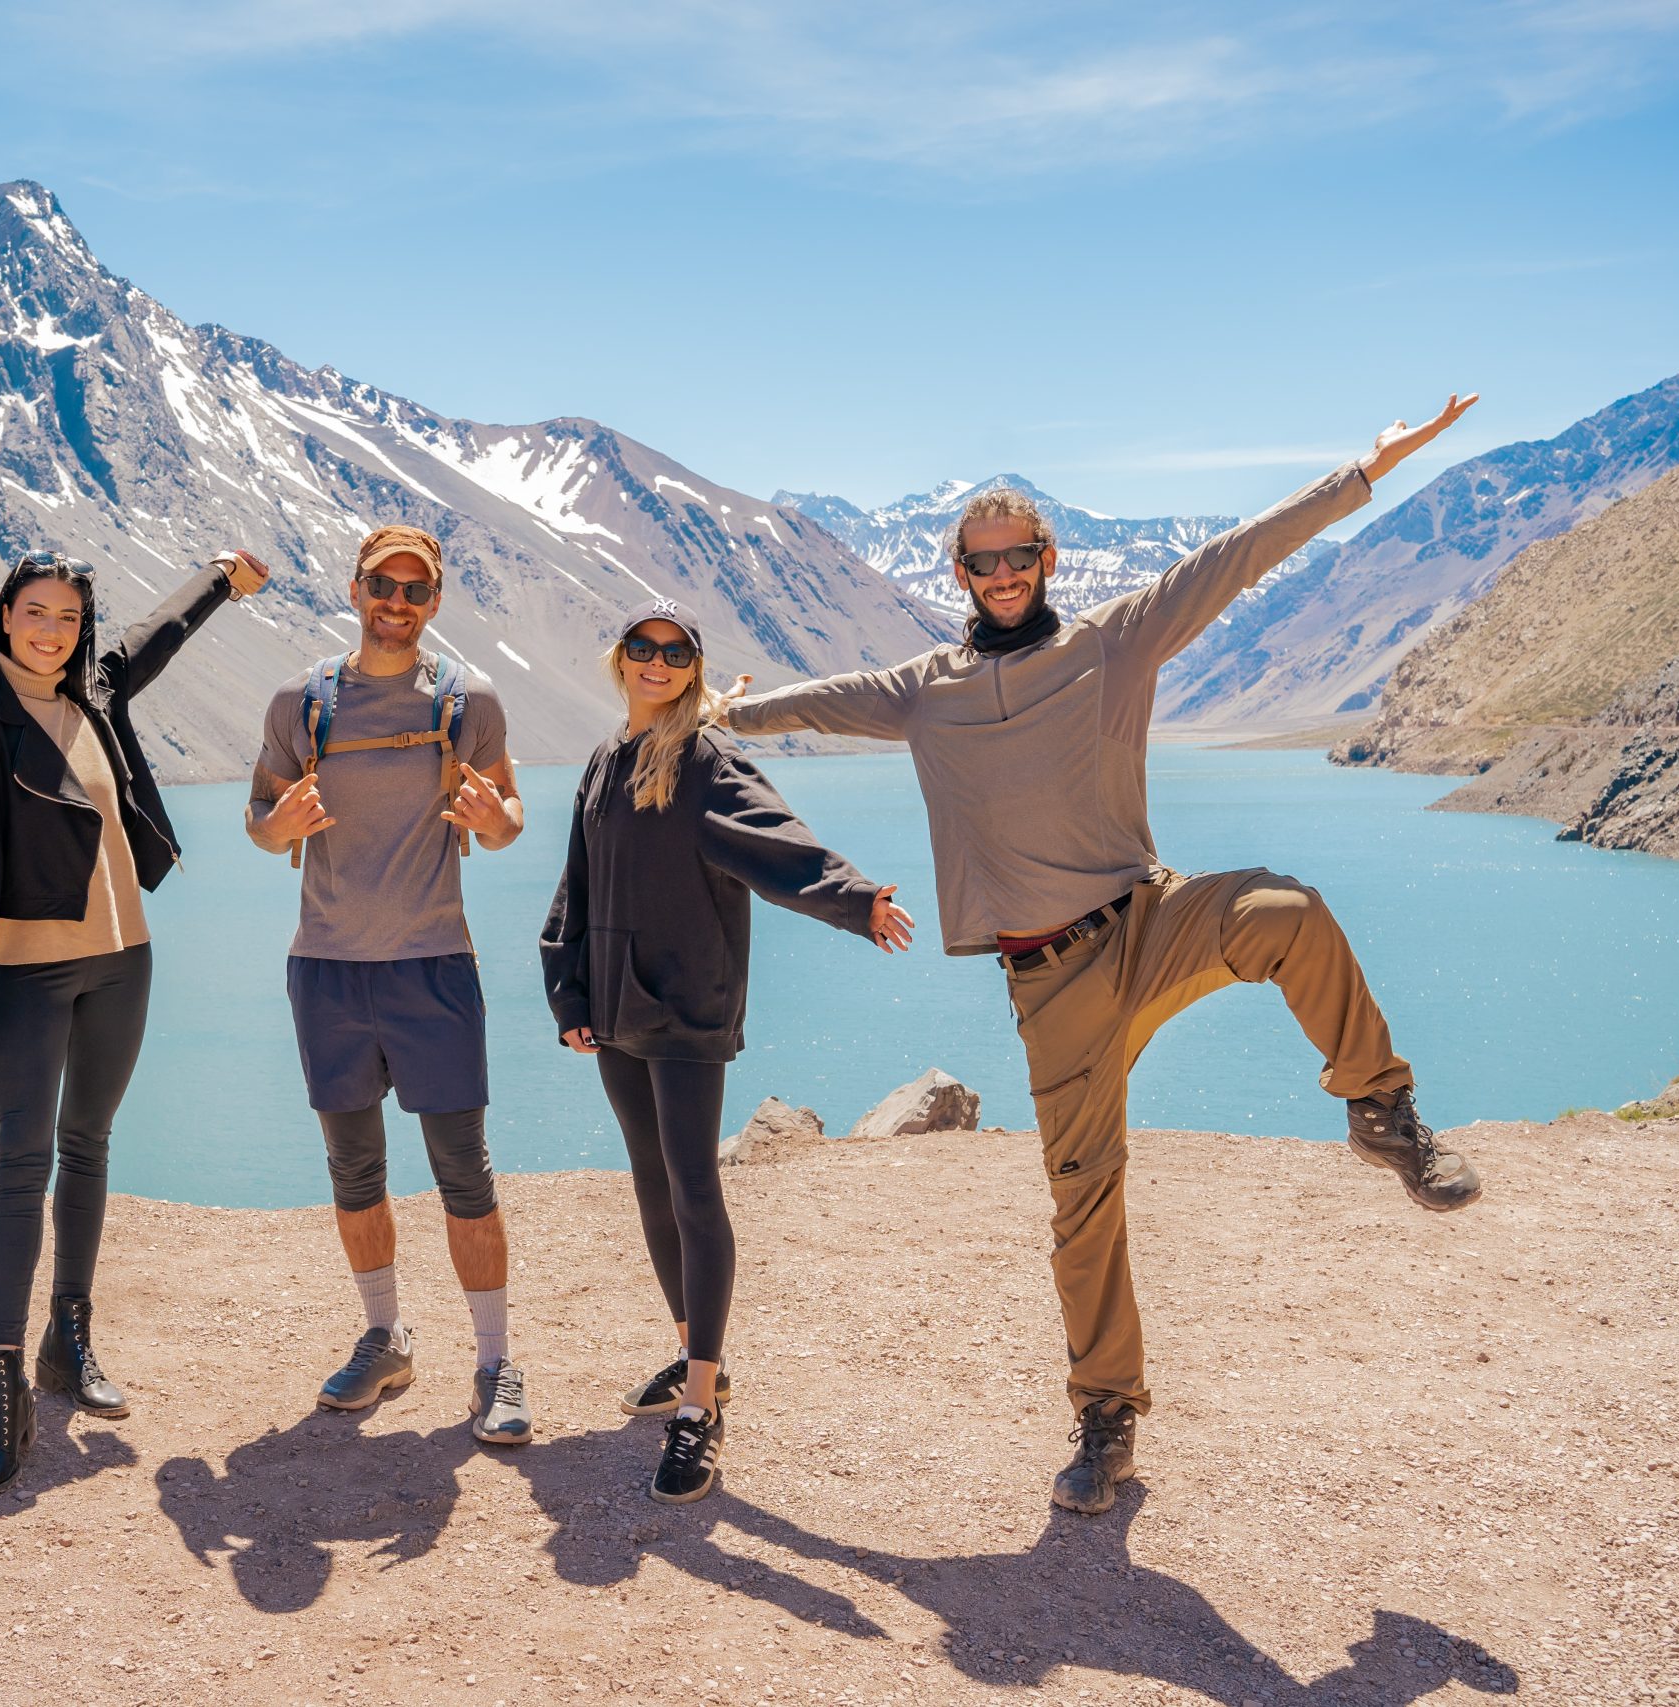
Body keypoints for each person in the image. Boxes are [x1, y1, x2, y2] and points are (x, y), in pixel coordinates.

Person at [719, 397, 1488, 1515]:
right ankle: (1105, 1414)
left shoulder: (1113, 641)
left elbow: (1233, 559)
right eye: (981, 561)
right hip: (1048, 978)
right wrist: (720, 715)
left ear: (1044, 558)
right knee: (1083, 1202)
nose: (1001, 574)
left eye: (1017, 556)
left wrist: (1360, 473)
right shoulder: (919, 692)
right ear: (960, 570)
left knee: (1286, 910)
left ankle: (1382, 1110)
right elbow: (818, 706)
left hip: (1148, 916)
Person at [540, 597, 914, 1503]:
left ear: (694, 668)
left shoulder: (704, 760)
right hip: (619, 1007)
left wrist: (854, 898)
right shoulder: (606, 758)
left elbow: (775, 841)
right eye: (643, 648)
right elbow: (577, 884)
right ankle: (690, 1350)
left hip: (687, 1006)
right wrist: (569, 988)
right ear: (619, 659)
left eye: (676, 652)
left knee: (695, 1187)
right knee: (650, 1182)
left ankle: (700, 1405)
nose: (657, 663)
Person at [0, 546, 271, 1495]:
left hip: (125, 961)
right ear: (3, 616)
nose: (52, 631)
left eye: (69, 617)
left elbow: (153, 638)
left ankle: (67, 1343)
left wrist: (221, 579)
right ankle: (1, 1386)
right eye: (35, 612)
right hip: (30, 971)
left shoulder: (95, 692)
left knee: (91, 1146)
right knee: (19, 1163)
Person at [245, 524, 534, 1444]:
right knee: (354, 1170)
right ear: (356, 587)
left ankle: (494, 1364)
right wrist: (276, 825)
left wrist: (497, 820)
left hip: (433, 966)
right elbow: (261, 819)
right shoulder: (303, 701)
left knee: (464, 1173)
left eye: (416, 590)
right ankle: (384, 1337)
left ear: (435, 601)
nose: (397, 602)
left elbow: (506, 817)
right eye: (383, 584)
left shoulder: (466, 700)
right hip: (327, 970)